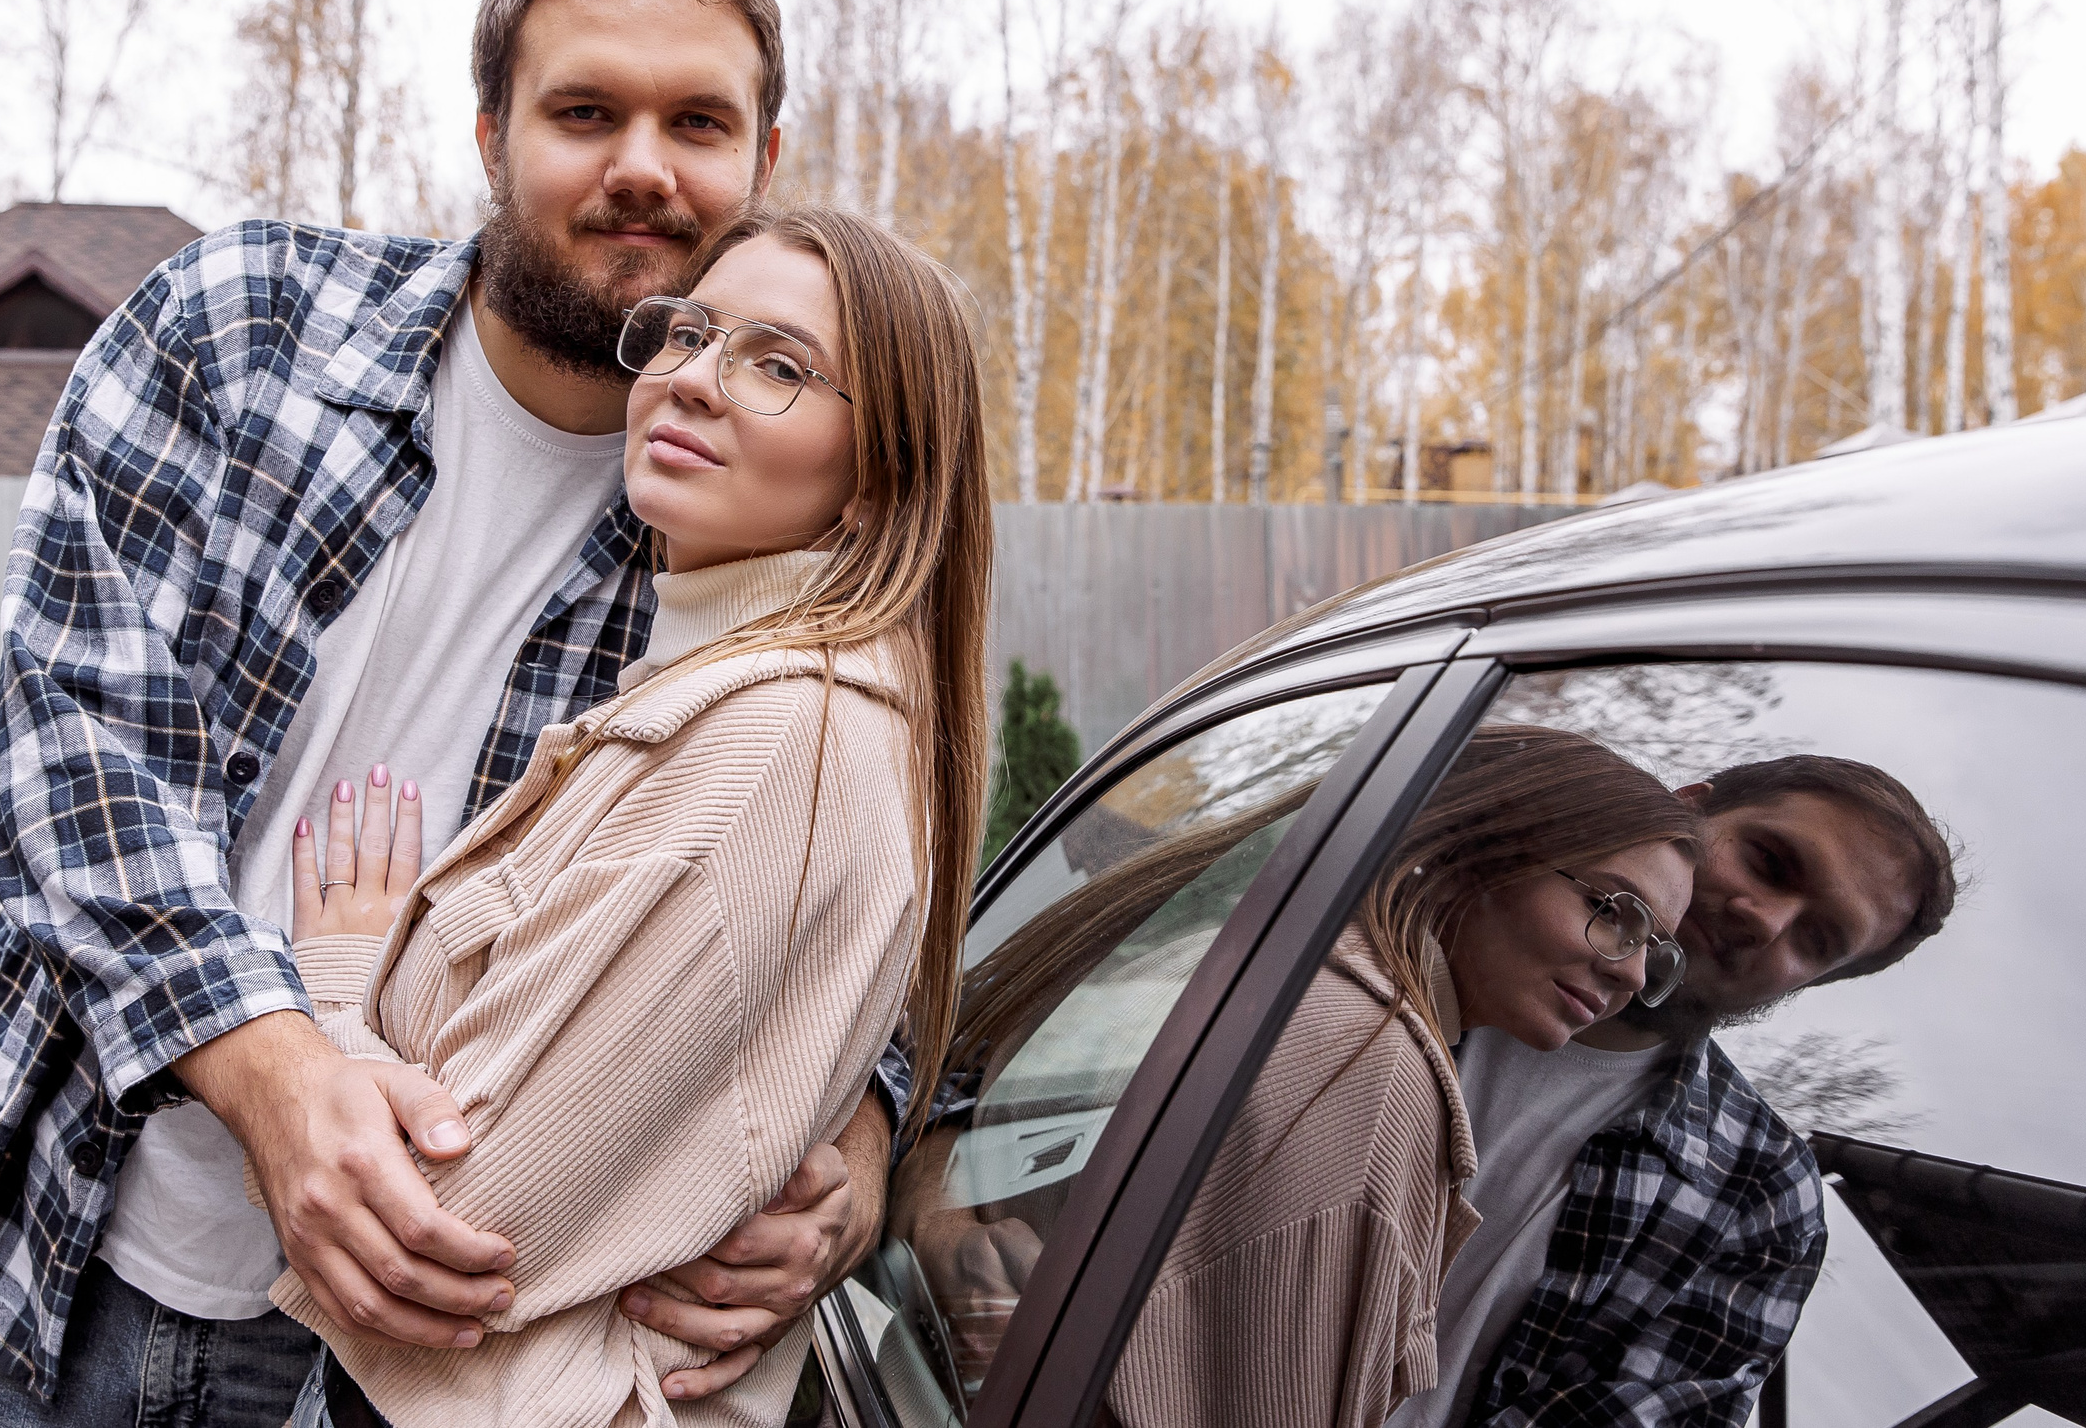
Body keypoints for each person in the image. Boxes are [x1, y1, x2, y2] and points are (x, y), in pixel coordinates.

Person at [0, 0, 897, 1425]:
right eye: (584, 110)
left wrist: (865, 1137)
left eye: (698, 120)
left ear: (762, 154)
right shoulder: (239, 330)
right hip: (46, 1270)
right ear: (490, 131)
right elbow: (71, 755)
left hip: (401, 1353)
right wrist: (277, 1075)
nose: (643, 165)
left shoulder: (739, 530)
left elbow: (863, 876)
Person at [276, 205, 990, 1428]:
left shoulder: (769, 745)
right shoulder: (730, 689)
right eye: (690, 333)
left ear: (882, 480)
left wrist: (337, 983)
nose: (695, 381)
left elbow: (446, 1234)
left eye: (778, 366)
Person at [900, 725, 1705, 1427]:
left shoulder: (1270, 960)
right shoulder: (1369, 1069)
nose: (1634, 973)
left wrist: (933, 1221)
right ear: (1479, 852)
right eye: (1616, 911)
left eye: (1657, 951)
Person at [1389, 752, 1958, 1428]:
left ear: (1807, 985)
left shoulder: (1760, 1193)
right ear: (1683, 807)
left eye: (1815, 939)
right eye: (1770, 861)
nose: (1766, 921)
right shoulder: (1385, 923)